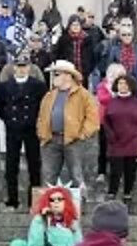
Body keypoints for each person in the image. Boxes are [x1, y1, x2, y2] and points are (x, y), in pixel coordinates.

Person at [0, 53, 47, 209]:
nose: (21, 69)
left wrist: (36, 119)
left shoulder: (38, 85)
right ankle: (12, 198)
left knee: (34, 165)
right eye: (18, 66)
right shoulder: (4, 86)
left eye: (24, 66)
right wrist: (8, 118)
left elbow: (44, 105)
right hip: (13, 129)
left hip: (31, 129)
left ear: (29, 67)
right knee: (11, 166)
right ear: (13, 67)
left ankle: (34, 200)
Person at [39, 60, 99, 190]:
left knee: (77, 176)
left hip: (74, 141)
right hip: (51, 140)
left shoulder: (84, 95)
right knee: (47, 177)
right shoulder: (49, 95)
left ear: (67, 75)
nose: (54, 77)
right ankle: (46, 208)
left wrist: (82, 135)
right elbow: (41, 117)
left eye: (57, 74)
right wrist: (42, 134)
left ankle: (80, 207)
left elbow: (93, 119)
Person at [103, 74, 137, 203]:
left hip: (134, 143)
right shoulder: (111, 102)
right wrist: (111, 136)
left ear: (130, 86)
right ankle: (112, 193)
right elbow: (105, 122)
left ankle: (127, 194)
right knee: (115, 171)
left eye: (125, 83)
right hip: (116, 143)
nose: (122, 86)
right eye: (120, 83)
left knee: (130, 172)